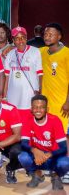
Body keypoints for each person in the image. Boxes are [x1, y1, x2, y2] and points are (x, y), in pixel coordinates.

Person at [19, 95, 69, 191]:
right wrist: (34, 150)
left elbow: (63, 148)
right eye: (35, 107)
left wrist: (48, 155)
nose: (38, 110)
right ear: (31, 109)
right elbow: (23, 143)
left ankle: (56, 177)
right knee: (23, 157)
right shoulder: (27, 120)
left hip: (52, 157)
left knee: (65, 163)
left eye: (42, 107)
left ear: (47, 109)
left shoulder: (55, 121)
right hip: (37, 158)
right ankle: (38, 174)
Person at [40, 23, 69, 183]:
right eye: (45, 33)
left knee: (64, 137)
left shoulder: (67, 54)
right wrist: (10, 48)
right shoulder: (42, 52)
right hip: (47, 104)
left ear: (59, 36)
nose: (47, 36)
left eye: (51, 34)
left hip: (63, 104)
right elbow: (24, 51)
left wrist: (68, 102)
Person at [3, 26, 43, 123]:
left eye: (23, 37)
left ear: (26, 38)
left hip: (29, 96)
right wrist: (4, 96)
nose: (20, 40)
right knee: (15, 124)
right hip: (13, 97)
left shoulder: (35, 51)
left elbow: (40, 74)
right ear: (13, 40)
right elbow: (6, 77)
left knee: (28, 124)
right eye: (17, 38)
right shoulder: (10, 54)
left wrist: (40, 91)